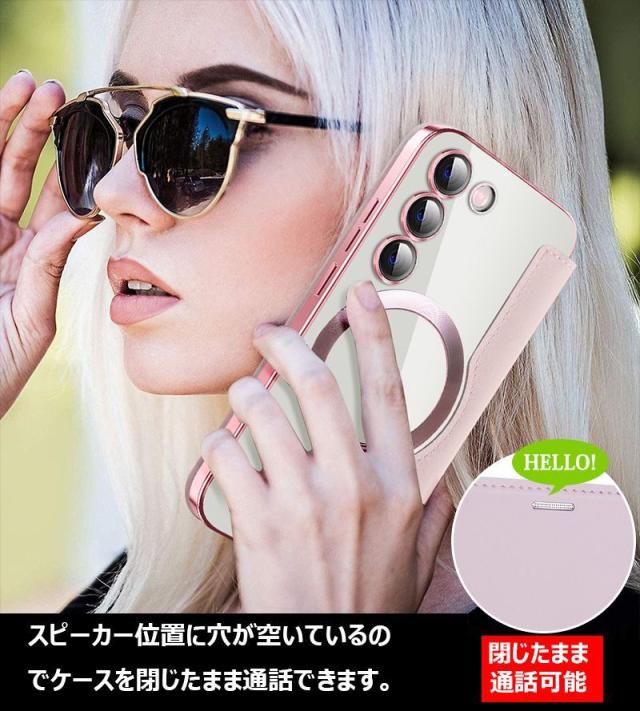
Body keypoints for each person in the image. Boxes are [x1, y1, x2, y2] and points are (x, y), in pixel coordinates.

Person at [1, 0, 638, 614]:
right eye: (117, 126)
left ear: (423, 170)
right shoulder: (132, 597)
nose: (112, 192)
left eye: (200, 132)